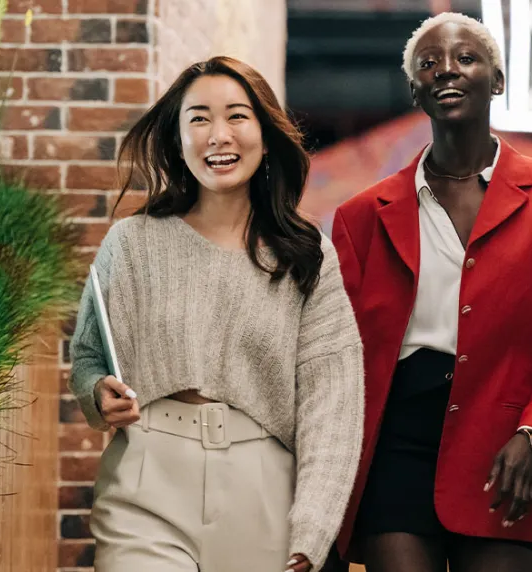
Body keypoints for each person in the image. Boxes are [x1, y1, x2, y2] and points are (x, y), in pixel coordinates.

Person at [322, 12, 532, 572]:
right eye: (429, 63)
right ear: (415, 91)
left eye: (466, 58)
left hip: (507, 447)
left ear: (497, 81)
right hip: (394, 447)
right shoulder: (360, 217)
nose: (447, 70)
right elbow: (339, 358)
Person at [67, 56, 364, 572]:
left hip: (264, 497)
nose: (218, 135)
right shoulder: (131, 244)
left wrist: (313, 528)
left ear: (265, 137)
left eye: (237, 116)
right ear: (178, 140)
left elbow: (332, 406)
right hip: (146, 482)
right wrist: (98, 392)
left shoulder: (306, 255)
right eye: (199, 118)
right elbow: (90, 357)